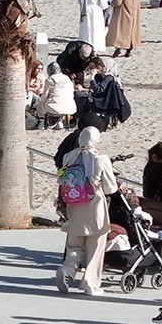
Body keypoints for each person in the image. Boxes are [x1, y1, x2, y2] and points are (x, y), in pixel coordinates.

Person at [58, 125, 120, 295]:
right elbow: (110, 188)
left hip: (74, 205)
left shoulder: (68, 157)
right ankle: (90, 284)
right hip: (95, 208)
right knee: (95, 247)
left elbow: (61, 178)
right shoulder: (100, 159)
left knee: (75, 245)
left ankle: (67, 269)